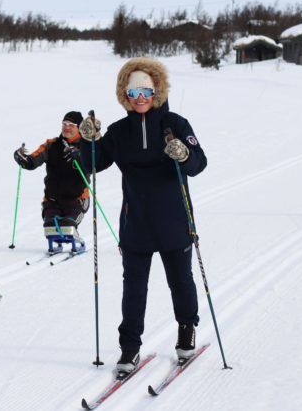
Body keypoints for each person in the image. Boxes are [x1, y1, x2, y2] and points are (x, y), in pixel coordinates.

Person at [71, 57, 207, 374]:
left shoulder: (176, 125)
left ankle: (186, 329)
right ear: (125, 96)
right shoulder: (118, 133)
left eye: (146, 91)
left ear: (156, 91)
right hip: (136, 224)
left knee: (181, 281)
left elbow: (199, 164)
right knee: (134, 289)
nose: (141, 97)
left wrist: (184, 155)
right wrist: (87, 142)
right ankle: (130, 348)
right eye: (134, 92)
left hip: (175, 220)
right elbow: (89, 165)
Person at [13, 111, 90, 254]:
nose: (66, 128)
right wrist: (24, 160)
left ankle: (77, 241)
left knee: (67, 226)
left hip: (76, 199)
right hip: (52, 199)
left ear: (78, 128)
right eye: (64, 124)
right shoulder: (51, 145)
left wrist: (79, 156)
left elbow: (94, 164)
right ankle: (56, 241)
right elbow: (34, 160)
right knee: (50, 227)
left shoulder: (86, 146)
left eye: (71, 125)